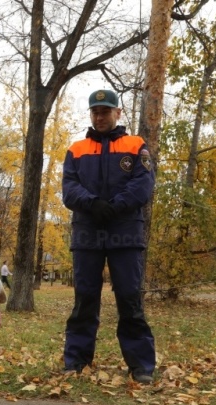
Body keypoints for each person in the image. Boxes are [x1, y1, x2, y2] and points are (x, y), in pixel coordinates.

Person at [61, 89, 156, 384]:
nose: (100, 116)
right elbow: (69, 188)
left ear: (118, 113)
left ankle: (141, 366)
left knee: (129, 299)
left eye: (105, 111)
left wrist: (114, 206)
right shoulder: (76, 150)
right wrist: (92, 203)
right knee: (85, 299)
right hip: (87, 234)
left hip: (125, 233)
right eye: (95, 112)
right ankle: (76, 361)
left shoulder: (136, 145)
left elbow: (143, 184)